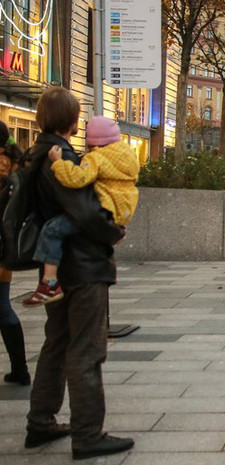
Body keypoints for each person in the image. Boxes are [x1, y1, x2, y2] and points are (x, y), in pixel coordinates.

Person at [25, 87, 133, 460]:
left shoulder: (36, 152)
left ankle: (41, 421)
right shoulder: (62, 157)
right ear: (73, 121)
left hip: (57, 268)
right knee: (86, 350)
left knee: (56, 343)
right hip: (83, 267)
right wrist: (114, 231)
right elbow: (85, 212)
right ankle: (88, 435)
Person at [23, 116, 146, 307]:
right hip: (123, 209)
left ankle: (50, 282)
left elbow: (77, 178)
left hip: (105, 208)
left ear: (92, 141)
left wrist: (58, 162)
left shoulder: (96, 158)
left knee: (52, 229)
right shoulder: (128, 155)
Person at [0, 121, 30, 386]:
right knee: (2, 306)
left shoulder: (3, 169)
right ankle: (19, 368)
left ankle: (20, 369)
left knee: (2, 308)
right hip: (5, 248)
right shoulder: (15, 165)